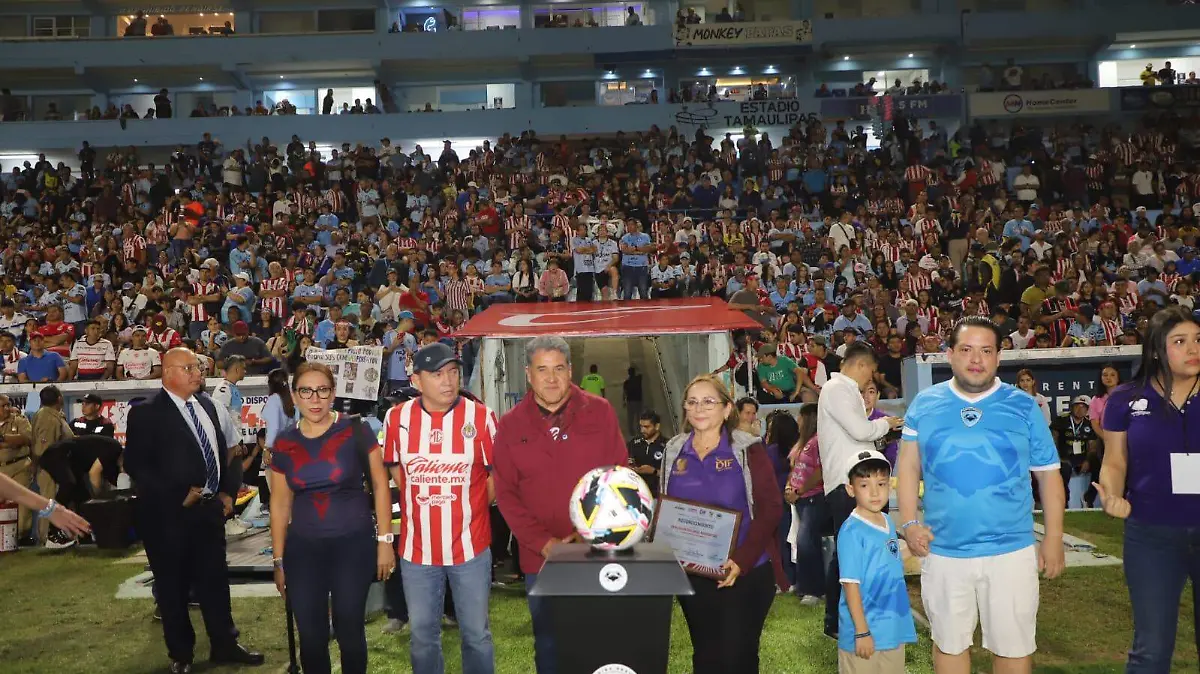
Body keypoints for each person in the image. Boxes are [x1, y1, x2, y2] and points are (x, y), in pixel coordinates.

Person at [897, 316, 1065, 674]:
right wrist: (909, 523)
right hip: (943, 551)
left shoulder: (1023, 407)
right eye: (967, 350)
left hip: (1011, 552)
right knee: (949, 645)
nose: (976, 359)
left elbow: (1049, 477)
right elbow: (908, 469)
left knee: (1013, 649)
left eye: (986, 350)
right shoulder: (925, 405)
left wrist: (1052, 538)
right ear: (950, 354)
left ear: (999, 357)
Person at [492, 335, 627, 674]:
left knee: (601, 642)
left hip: (596, 550)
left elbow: (617, 477)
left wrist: (589, 534)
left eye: (558, 369)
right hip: (541, 559)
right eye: (542, 370)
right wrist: (543, 544)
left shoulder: (600, 411)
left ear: (571, 370)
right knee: (549, 642)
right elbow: (507, 494)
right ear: (528, 373)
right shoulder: (509, 425)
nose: (551, 379)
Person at [123, 347, 264, 673]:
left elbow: (230, 453)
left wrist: (229, 493)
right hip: (166, 516)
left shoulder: (210, 406)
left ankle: (225, 645)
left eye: (198, 367)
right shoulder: (146, 412)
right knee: (173, 587)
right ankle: (181, 655)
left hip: (208, 511)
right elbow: (136, 466)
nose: (198, 372)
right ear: (168, 372)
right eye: (190, 368)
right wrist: (176, 495)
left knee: (215, 582)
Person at [269, 362, 394, 674]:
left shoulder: (356, 429)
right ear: (294, 396)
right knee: (311, 637)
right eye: (306, 391)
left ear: (333, 394)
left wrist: (385, 541)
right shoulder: (284, 442)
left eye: (322, 390)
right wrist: (279, 560)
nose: (315, 398)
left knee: (349, 630)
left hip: (352, 547)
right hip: (304, 551)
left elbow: (380, 485)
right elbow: (280, 503)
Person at [1094, 306, 1200, 672]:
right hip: (1151, 535)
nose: (1193, 349)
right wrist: (1111, 495)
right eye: (1180, 342)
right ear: (1156, 349)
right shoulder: (1125, 399)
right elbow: (1114, 461)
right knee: (1151, 650)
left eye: (1198, 340)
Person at [382, 342, 498, 674]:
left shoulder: (481, 416)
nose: (448, 381)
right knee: (422, 636)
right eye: (437, 374)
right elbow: (396, 470)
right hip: (418, 552)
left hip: (470, 548)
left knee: (476, 634)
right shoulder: (397, 419)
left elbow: (496, 474)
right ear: (417, 381)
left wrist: (471, 508)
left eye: (453, 372)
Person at [659, 374, 784, 674]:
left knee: (736, 658)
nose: (699, 408)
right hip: (694, 576)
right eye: (692, 402)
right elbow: (664, 508)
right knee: (706, 657)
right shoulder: (674, 450)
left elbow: (771, 508)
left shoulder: (747, 449)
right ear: (685, 409)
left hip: (746, 571)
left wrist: (740, 561)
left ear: (727, 409)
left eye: (708, 401)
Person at [817, 342, 902, 639]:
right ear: (863, 365)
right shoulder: (837, 389)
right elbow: (860, 431)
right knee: (849, 555)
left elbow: (859, 437)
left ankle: (854, 617)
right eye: (871, 373)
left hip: (856, 481)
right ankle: (836, 621)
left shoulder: (843, 390)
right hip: (847, 485)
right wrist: (885, 423)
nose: (871, 380)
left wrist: (883, 431)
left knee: (863, 552)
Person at [837, 448, 917, 674]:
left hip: (891, 628)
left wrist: (915, 548)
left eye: (881, 484)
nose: (874, 492)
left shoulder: (887, 521)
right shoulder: (852, 532)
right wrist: (861, 632)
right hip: (864, 632)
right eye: (864, 485)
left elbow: (889, 559)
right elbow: (851, 584)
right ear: (850, 489)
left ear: (889, 485)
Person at [784, 402, 825, 605]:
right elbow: (794, 468)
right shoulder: (802, 442)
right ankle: (804, 585)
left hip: (813, 498)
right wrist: (788, 488)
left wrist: (800, 491)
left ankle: (813, 590)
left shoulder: (819, 442)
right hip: (798, 499)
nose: (797, 421)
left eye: (800, 417)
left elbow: (820, 472)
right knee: (800, 542)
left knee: (807, 542)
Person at [31, 385, 74, 548]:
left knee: (54, 502)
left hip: (56, 467)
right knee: (49, 503)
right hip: (50, 469)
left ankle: (56, 536)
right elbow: (44, 450)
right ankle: (47, 539)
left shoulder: (54, 415)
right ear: (59, 399)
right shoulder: (46, 418)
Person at [764, 409, 799, 592]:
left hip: (776, 500)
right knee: (791, 539)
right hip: (794, 498)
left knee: (780, 541)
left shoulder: (771, 451)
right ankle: (792, 577)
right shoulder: (798, 449)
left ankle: (784, 580)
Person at [1051, 395, 1099, 509]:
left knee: (1099, 467)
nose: (1080, 409)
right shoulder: (1062, 420)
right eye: (1077, 406)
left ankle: (1088, 498)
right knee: (1064, 469)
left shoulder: (1088, 424)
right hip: (1064, 457)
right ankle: (1064, 502)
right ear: (1072, 407)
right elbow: (1052, 440)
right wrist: (1058, 457)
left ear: (1087, 410)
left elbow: (1092, 446)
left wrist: (1087, 461)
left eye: (1083, 407)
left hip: (1081, 458)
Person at [0, 393, 34, 544]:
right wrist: (10, 442)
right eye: (3, 406)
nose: (7, 408)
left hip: (19, 466)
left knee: (22, 504)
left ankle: (23, 537)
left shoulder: (19, 420)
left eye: (8, 404)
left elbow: (26, 438)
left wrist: (3, 439)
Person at [627, 410, 665, 497]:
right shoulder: (634, 443)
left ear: (657, 426)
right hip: (636, 493)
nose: (642, 430)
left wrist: (653, 471)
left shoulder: (667, 445)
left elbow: (671, 475)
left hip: (657, 495)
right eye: (641, 426)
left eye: (647, 427)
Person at [623, 366, 644, 436]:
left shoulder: (626, 382)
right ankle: (639, 430)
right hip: (638, 400)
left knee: (631, 417)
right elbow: (641, 371)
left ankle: (631, 431)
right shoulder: (638, 379)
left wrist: (624, 401)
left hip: (630, 401)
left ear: (628, 373)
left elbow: (624, 393)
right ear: (634, 372)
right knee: (638, 416)